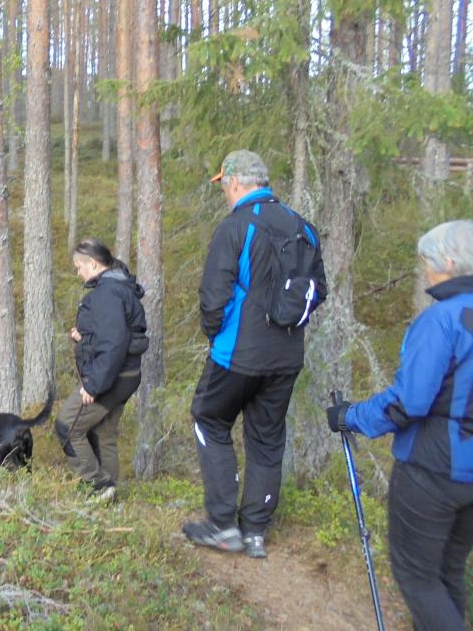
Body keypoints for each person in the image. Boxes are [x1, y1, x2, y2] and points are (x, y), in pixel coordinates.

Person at [327, 220, 473, 630]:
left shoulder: (441, 319)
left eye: (428, 260)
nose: (425, 269)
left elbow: (410, 401)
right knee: (448, 571)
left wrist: (350, 417)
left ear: (448, 263)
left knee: (417, 576)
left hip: (433, 469)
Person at [183, 150, 326, 560]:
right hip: (286, 356)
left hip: (237, 354)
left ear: (234, 182)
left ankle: (222, 524)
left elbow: (213, 296)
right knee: (266, 439)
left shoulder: (236, 227)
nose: (224, 192)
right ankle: (255, 532)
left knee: (209, 419)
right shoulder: (303, 227)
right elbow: (319, 289)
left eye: (224, 185)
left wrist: (216, 333)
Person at [54, 239, 148, 504]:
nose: (78, 272)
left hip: (112, 377)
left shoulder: (108, 293)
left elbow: (114, 343)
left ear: (93, 264)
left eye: (79, 267)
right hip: (126, 375)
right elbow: (113, 333)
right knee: (103, 432)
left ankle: (98, 486)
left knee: (67, 426)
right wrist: (84, 336)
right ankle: (110, 499)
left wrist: (93, 385)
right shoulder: (118, 288)